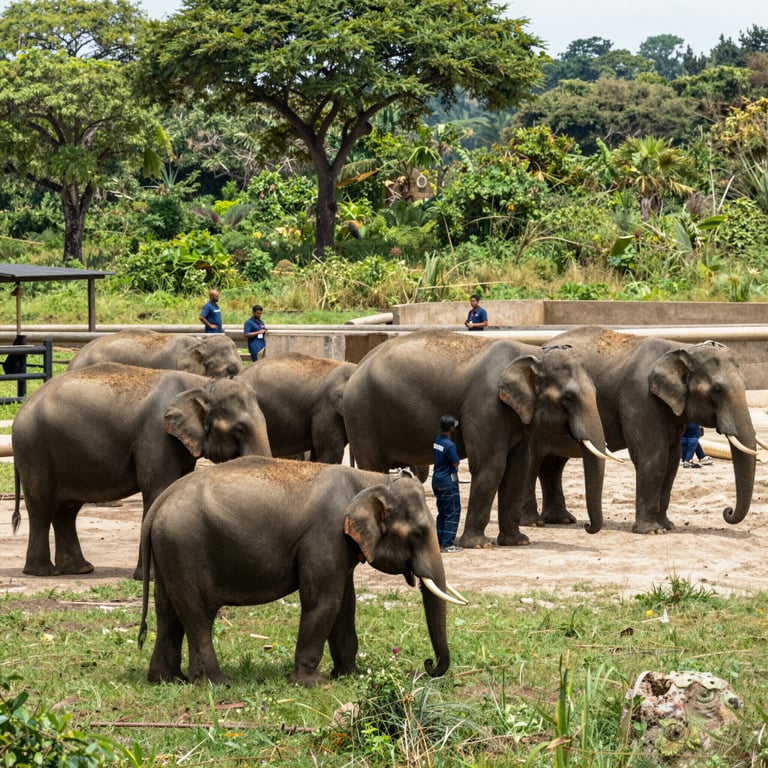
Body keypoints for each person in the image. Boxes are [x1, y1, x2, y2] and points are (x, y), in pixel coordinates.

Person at [432, 414, 463, 553]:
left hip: (436, 479)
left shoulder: (437, 441)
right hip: (448, 481)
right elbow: (455, 462)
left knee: (442, 512)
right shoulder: (450, 445)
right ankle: (448, 544)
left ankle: (439, 541)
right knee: (453, 512)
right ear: (451, 429)